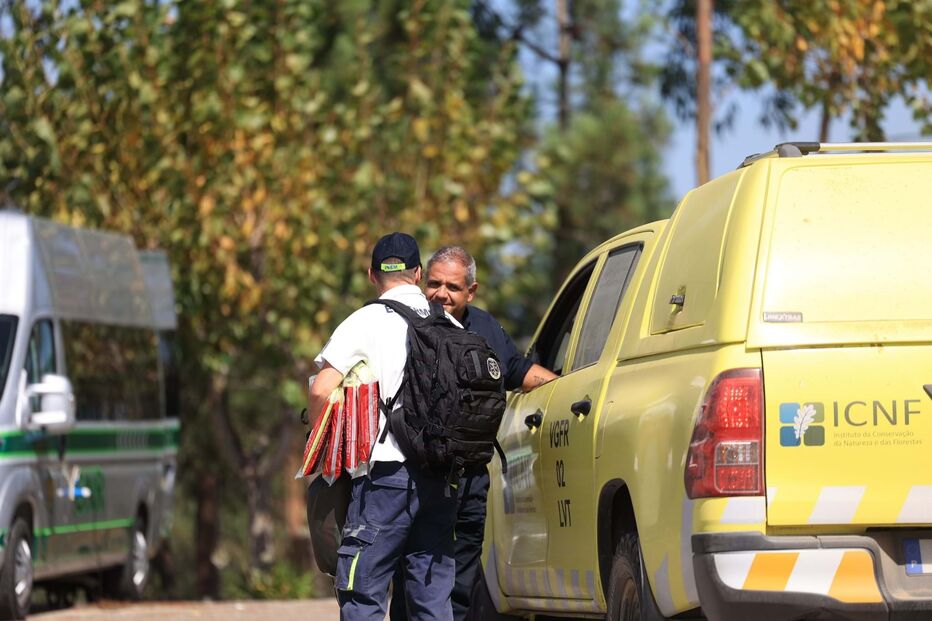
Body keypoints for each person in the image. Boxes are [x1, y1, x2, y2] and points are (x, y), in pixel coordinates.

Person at [389, 245, 557, 621]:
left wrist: (570, 390)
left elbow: (517, 371)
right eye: (434, 283)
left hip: (469, 481)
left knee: (462, 583)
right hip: (416, 478)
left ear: (471, 291)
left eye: (452, 286)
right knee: (411, 580)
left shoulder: (484, 328)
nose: (441, 294)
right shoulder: (404, 323)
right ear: (421, 282)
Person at [308, 233, 461, 621]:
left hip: (384, 479)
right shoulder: (448, 325)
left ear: (372, 274)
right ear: (418, 273)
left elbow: (324, 389)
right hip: (440, 477)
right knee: (432, 599)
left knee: (364, 593)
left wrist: (317, 436)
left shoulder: (364, 322)